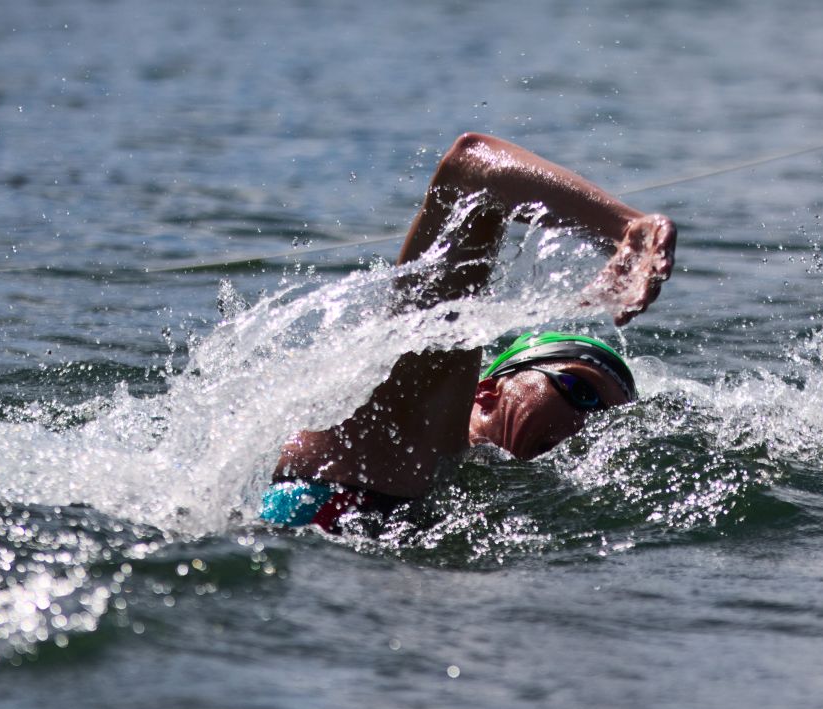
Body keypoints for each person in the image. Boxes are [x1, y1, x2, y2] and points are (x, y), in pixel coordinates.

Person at [262, 133, 676, 531]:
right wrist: (626, 229)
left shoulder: (469, 492)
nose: (589, 426)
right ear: (487, 391)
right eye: (581, 392)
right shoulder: (404, 425)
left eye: (608, 419)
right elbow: (470, 170)